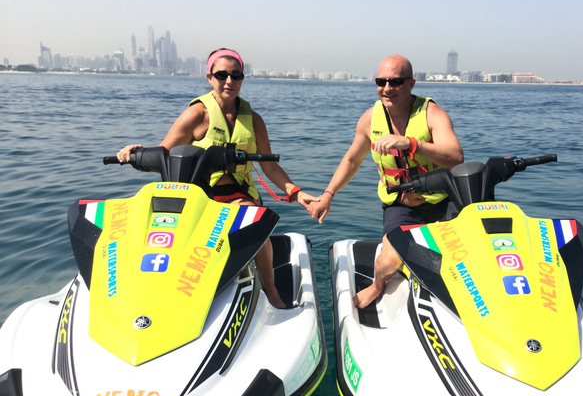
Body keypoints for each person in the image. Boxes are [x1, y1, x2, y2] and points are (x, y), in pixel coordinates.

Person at [117, 48, 314, 309]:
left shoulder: (254, 120)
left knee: (254, 220)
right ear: (210, 77)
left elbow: (269, 166)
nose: (229, 81)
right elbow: (164, 154)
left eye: (236, 75)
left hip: (236, 195)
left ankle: (272, 290)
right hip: (196, 196)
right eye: (222, 75)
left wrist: (296, 193)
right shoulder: (197, 115)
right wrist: (136, 155)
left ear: (243, 78)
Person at [308, 54, 463, 308]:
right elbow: (351, 160)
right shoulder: (370, 119)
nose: (387, 88)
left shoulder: (432, 113)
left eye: (396, 82)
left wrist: (412, 144)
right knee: (388, 262)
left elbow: (456, 157)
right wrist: (328, 195)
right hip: (402, 208)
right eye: (381, 81)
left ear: (411, 84)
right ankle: (377, 285)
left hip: (444, 203)